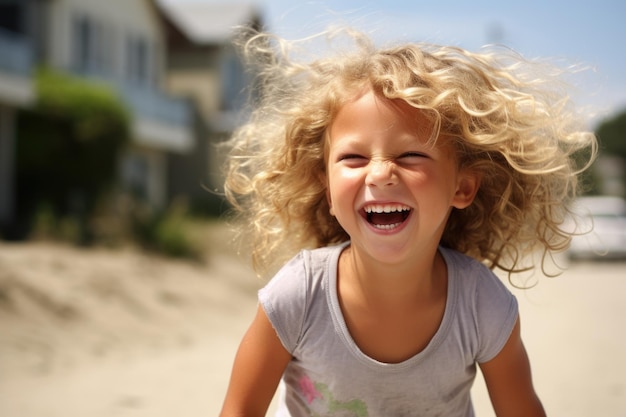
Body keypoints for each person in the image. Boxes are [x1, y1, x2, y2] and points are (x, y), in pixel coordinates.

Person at [219, 27, 597, 417]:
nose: (380, 173)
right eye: (354, 158)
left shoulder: (481, 304)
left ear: (462, 188)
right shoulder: (298, 295)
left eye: (411, 155)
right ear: (329, 191)